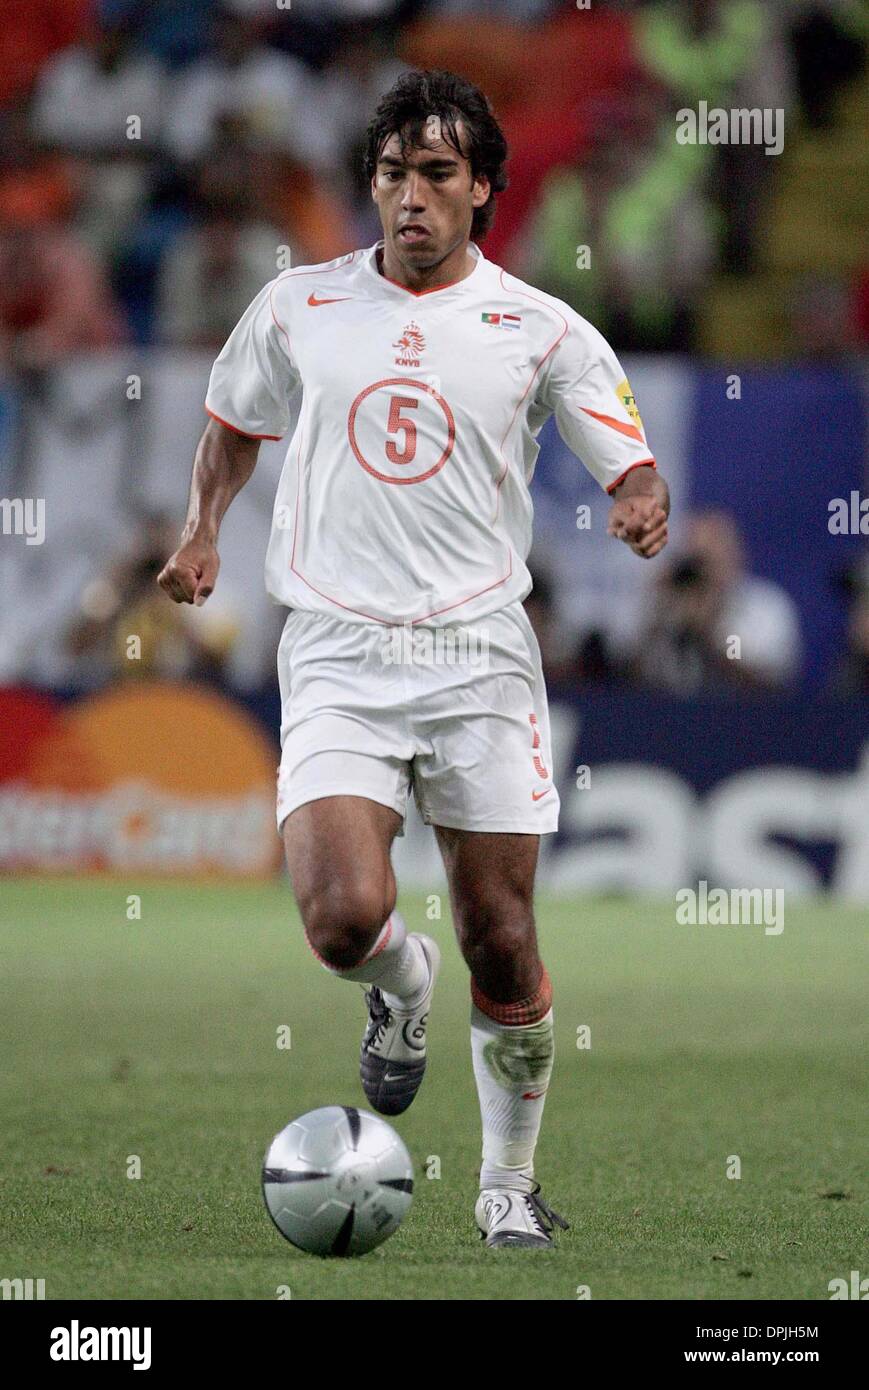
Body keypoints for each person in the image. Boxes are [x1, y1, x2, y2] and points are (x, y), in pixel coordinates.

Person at [158, 69, 670, 1248]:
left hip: (479, 656)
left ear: (482, 188)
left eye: (437, 175)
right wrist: (202, 528)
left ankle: (503, 1185)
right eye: (392, 175)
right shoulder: (296, 306)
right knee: (342, 917)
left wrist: (638, 495)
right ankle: (401, 989)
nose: (411, 198)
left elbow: (626, 459)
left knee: (503, 934)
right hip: (335, 647)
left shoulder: (541, 327)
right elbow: (232, 424)